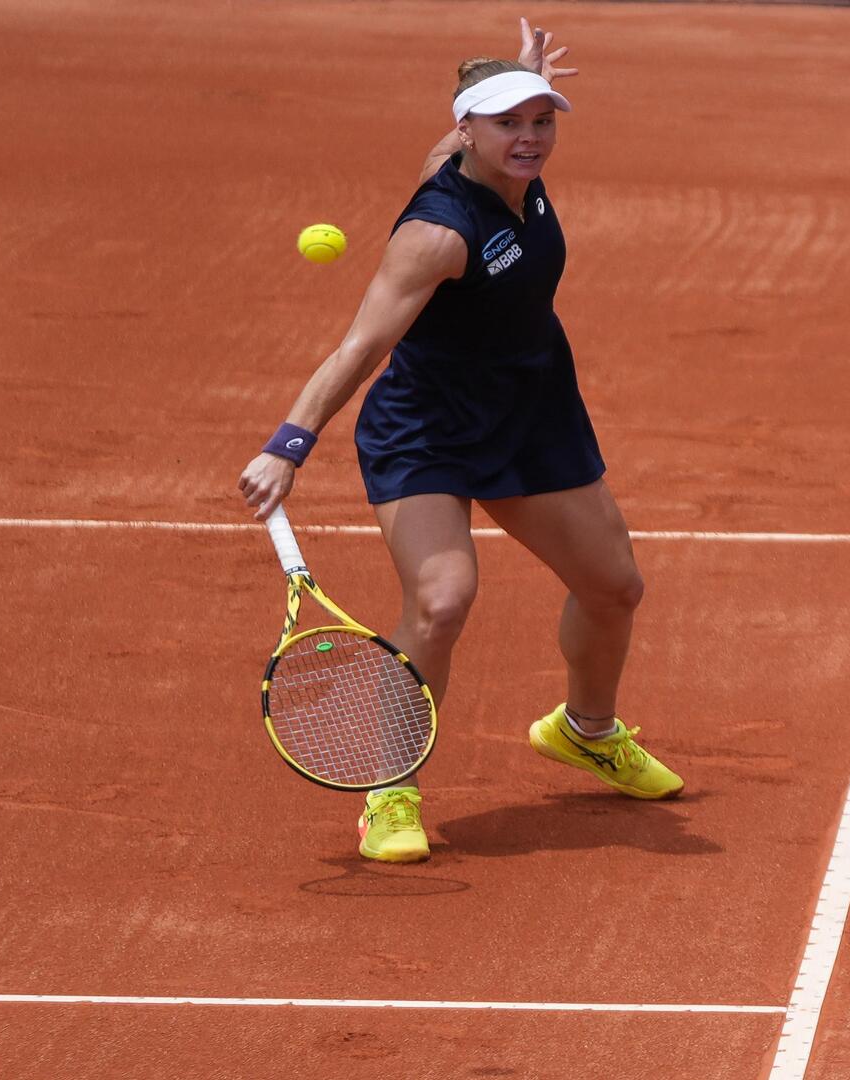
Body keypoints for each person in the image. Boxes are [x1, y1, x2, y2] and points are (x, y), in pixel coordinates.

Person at [237, 20, 683, 864]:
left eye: (542, 120)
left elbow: (484, 126)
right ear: (467, 131)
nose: (530, 138)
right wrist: (288, 444)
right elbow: (361, 346)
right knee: (441, 601)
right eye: (508, 123)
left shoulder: (507, 171)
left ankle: (587, 731)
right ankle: (391, 787)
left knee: (613, 587)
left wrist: (520, 77)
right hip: (427, 433)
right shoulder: (436, 234)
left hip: (531, 414)